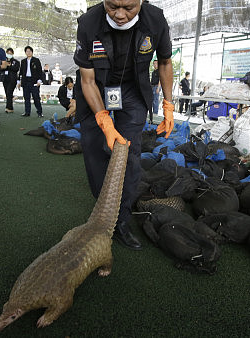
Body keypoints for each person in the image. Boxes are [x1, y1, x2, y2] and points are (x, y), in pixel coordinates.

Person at [73, 0, 174, 250]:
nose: (119, 14)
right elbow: (87, 80)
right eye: (112, 6)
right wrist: (103, 120)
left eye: (128, 7)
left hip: (132, 90)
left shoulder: (155, 20)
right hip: (96, 87)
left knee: (129, 153)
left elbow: (164, 62)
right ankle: (103, 214)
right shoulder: (88, 23)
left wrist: (169, 105)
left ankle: (121, 220)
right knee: (96, 148)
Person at [17, 46, 44, 117]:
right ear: (25, 52)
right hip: (25, 81)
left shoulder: (36, 60)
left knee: (36, 97)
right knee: (26, 98)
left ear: (32, 52)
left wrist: (39, 80)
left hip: (34, 82)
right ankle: (27, 112)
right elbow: (21, 72)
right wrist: (19, 82)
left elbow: (40, 72)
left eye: (29, 51)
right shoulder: (23, 61)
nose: (28, 52)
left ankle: (39, 112)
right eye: (27, 51)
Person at [1, 48, 20, 113]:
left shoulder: (16, 61)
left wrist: (9, 66)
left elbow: (16, 69)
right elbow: (1, 68)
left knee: (9, 92)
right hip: (5, 79)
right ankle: (9, 107)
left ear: (12, 54)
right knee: (7, 93)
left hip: (12, 79)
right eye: (8, 53)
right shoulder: (3, 61)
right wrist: (5, 65)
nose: (9, 54)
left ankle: (9, 107)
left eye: (10, 53)